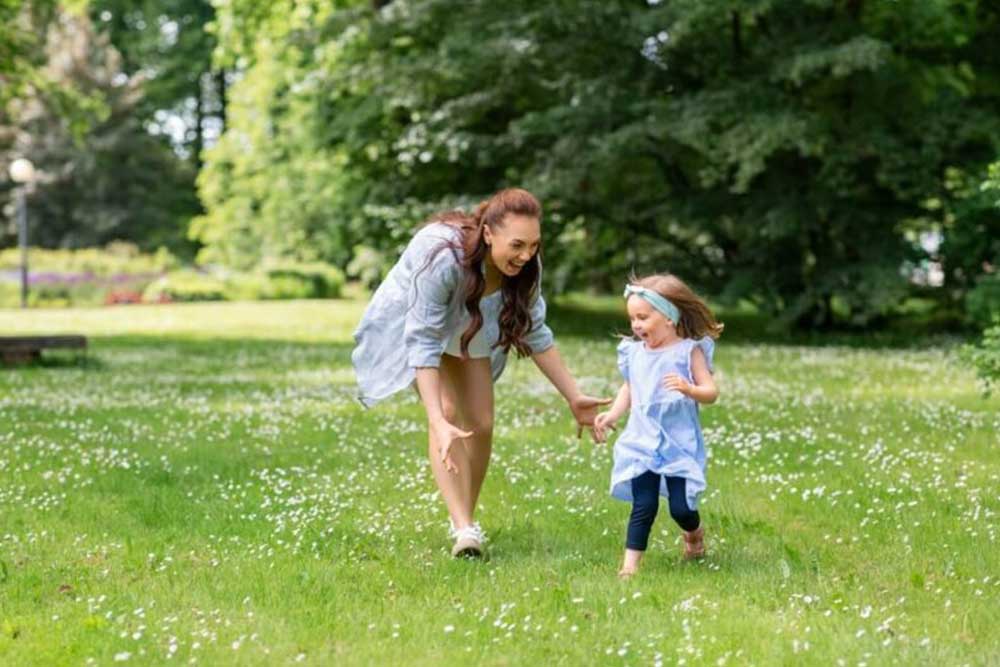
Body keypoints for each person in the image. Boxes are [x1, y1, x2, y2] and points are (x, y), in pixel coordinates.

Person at [352, 188, 609, 558]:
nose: (526, 255)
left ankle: (465, 519)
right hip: (426, 319)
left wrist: (573, 396)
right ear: (488, 233)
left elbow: (536, 331)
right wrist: (436, 419)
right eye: (517, 244)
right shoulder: (441, 259)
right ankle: (464, 528)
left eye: (534, 245)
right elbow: (423, 338)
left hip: (472, 322)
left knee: (482, 422)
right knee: (450, 413)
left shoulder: (524, 268)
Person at [593, 273, 723, 578]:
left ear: (669, 316)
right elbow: (630, 388)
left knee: (681, 508)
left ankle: (694, 534)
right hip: (641, 440)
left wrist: (690, 389)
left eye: (643, 317)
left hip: (678, 441)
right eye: (632, 318)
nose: (636, 325)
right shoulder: (633, 352)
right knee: (644, 504)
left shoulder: (688, 351)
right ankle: (629, 568)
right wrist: (613, 414)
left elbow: (711, 392)